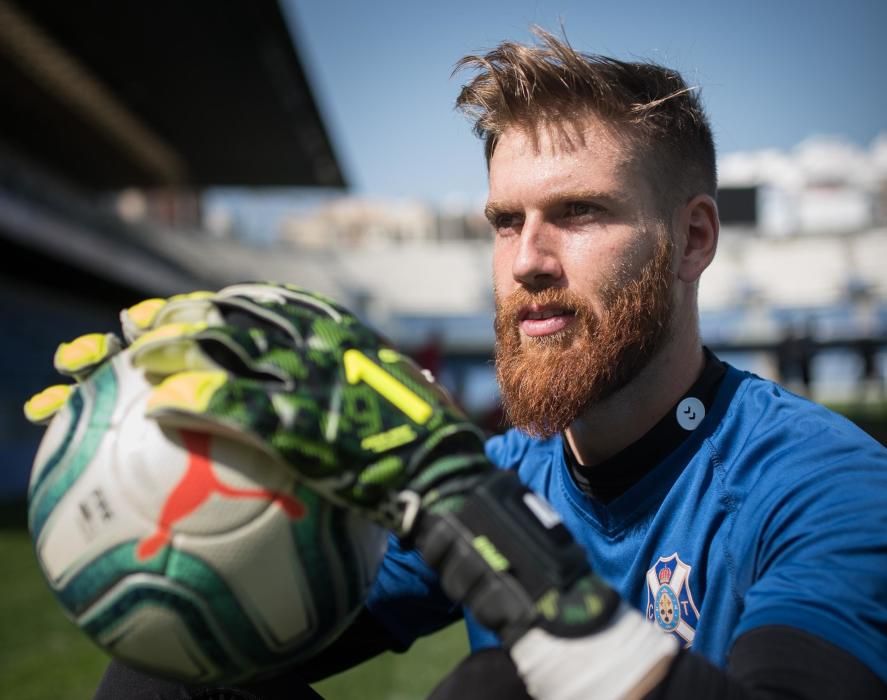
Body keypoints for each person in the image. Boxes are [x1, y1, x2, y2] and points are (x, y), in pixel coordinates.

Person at [31, 29, 886, 700]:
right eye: (504, 221)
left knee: (502, 687)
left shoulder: (828, 483)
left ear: (691, 239)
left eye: (578, 213)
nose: (527, 260)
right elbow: (253, 634)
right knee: (184, 673)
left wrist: (468, 510)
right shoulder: (505, 468)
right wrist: (180, 454)